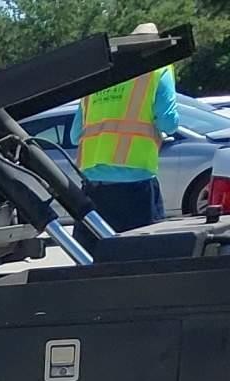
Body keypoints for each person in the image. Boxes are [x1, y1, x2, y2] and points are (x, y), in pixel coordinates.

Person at [78, 26, 180, 233]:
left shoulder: (101, 73)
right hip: (136, 184)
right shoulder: (158, 69)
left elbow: (74, 134)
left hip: (94, 184)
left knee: (95, 257)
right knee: (142, 256)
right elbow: (169, 123)